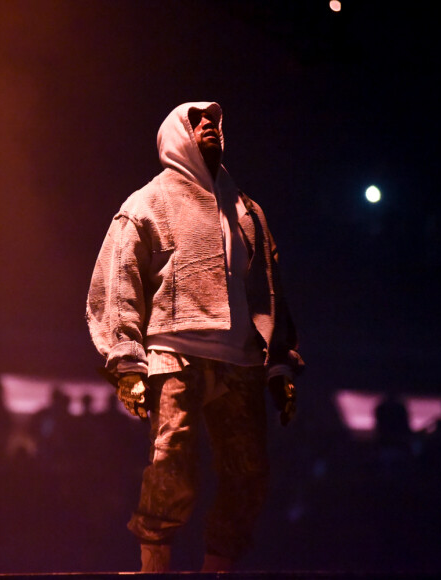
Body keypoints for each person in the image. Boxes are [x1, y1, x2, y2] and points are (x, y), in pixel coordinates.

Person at [86, 101, 304, 572]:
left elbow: (269, 286)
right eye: (197, 120)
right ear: (176, 133)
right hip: (175, 352)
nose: (211, 126)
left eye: (216, 121)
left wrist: (280, 362)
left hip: (241, 359)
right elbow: (116, 281)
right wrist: (127, 361)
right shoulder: (147, 203)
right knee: (171, 465)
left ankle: (218, 567)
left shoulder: (246, 209)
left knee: (248, 473)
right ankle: (153, 565)